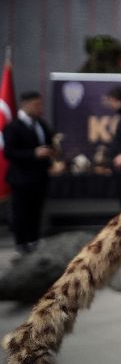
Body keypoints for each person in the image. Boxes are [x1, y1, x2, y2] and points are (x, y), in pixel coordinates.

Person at [2, 91, 55, 253]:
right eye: (36, 105)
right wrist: (33, 153)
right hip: (21, 178)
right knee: (21, 211)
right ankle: (21, 243)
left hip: (39, 177)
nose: (40, 108)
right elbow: (9, 152)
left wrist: (52, 152)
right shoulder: (13, 126)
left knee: (36, 210)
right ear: (25, 105)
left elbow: (49, 143)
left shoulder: (41, 124)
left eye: (41, 104)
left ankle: (34, 240)